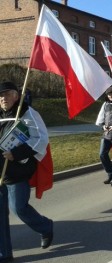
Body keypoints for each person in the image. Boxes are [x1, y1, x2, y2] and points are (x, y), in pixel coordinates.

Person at [0, 81, 53, 262]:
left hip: (17, 172)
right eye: (0, 96)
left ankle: (45, 227)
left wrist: (16, 153)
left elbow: (41, 139)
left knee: (19, 208)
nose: (3, 98)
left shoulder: (27, 113)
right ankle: (4, 255)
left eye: (7, 94)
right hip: (0, 173)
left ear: (16, 95)